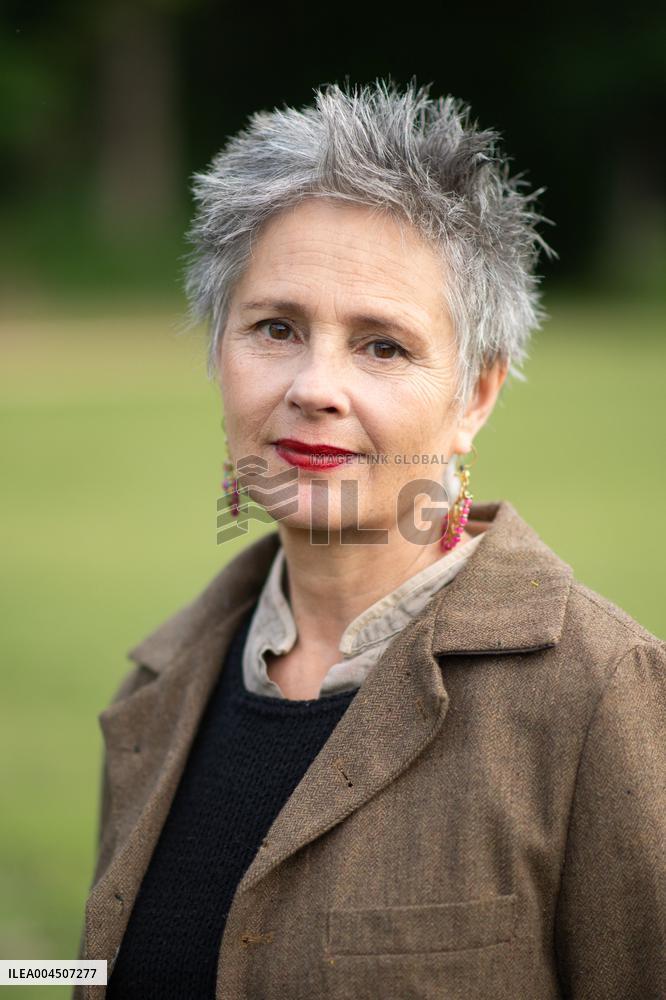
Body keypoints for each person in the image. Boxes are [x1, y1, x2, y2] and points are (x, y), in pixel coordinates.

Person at [74, 79, 665, 1000]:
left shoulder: (602, 699)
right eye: (275, 327)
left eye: (382, 345)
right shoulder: (159, 689)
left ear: (476, 395)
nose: (315, 385)